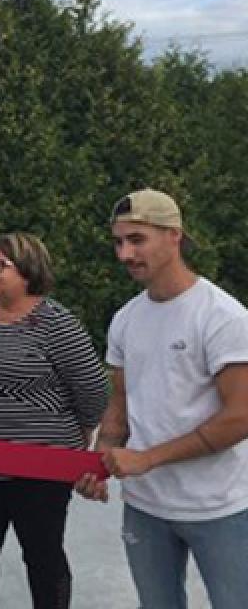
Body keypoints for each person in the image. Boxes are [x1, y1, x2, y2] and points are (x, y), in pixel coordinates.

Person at [75, 189, 248, 609]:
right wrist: (100, 458)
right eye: (118, 242)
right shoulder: (126, 319)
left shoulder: (222, 317)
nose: (125, 254)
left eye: (137, 239)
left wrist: (148, 458)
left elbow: (239, 418)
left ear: (174, 236)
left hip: (219, 507)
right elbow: (119, 409)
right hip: (146, 506)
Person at [0, 233, 107, 609]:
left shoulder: (57, 324)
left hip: (39, 468)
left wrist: (82, 434)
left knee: (42, 556)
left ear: (28, 271)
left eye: (0, 265)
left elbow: (93, 388)